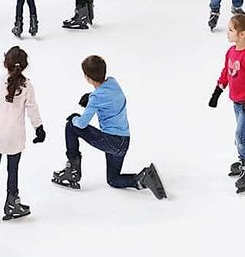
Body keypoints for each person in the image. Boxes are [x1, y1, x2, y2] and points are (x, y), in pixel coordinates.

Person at [50, 55, 167, 199]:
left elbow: (82, 124)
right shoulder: (113, 82)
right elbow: (106, 95)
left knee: (71, 126)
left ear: (87, 77)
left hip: (111, 141)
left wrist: (75, 117)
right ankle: (142, 178)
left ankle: (73, 171)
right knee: (113, 179)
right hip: (123, 142)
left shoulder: (96, 98)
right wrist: (91, 96)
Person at [0, 46, 45, 220]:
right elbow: (32, 109)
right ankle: (12, 203)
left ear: (5, 63)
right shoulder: (27, 86)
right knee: (12, 169)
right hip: (14, 137)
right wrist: (39, 128)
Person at [208, 13, 245, 193]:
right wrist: (217, 91)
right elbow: (227, 72)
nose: (228, 33)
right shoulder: (231, 52)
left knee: (239, 135)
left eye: (231, 30)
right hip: (236, 101)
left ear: (242, 34)